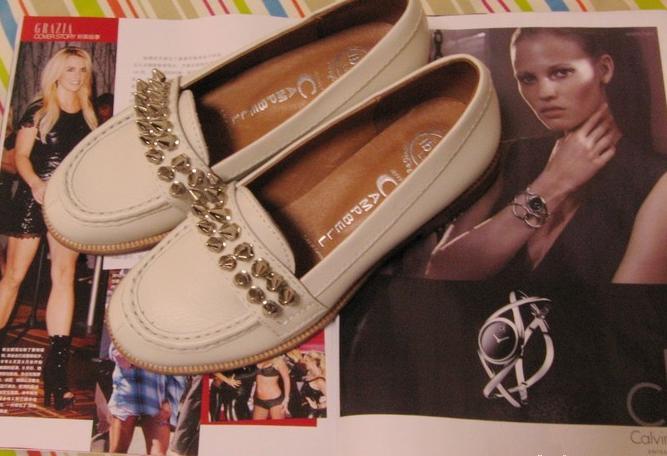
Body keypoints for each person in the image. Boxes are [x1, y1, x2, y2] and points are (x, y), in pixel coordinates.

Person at [425, 28, 667, 288]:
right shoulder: (508, 157)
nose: (544, 93)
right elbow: (440, 272)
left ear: (604, 69)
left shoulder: (656, 182)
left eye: (561, 73)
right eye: (528, 79)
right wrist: (552, 184)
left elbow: (626, 308)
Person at [0, 46, 98, 409]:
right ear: (57, 72)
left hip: (66, 204)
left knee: (64, 277)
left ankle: (55, 374)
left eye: (83, 70)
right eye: (70, 69)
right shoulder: (39, 109)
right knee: (13, 277)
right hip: (33, 199)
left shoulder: (89, 114)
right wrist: (36, 184)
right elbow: (20, 156)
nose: (77, 76)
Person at [107, 345, 186, 455]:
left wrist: (171, 400)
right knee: (117, 451)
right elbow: (114, 350)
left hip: (157, 397)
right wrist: (132, 357)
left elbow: (179, 365)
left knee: (158, 453)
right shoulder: (127, 331)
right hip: (126, 395)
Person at [300, 352, 327, 418]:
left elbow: (333, 400)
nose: (304, 363)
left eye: (306, 360)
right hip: (306, 412)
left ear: (314, 362)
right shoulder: (309, 375)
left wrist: (320, 406)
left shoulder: (320, 381)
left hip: (314, 414)